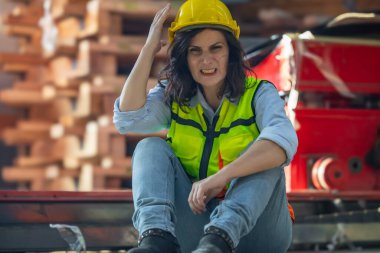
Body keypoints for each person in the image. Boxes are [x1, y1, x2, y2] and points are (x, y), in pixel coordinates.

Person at [113, 0, 298, 252]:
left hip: (258, 233)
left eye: (216, 48)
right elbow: (127, 119)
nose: (206, 60)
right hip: (197, 230)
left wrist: (218, 179)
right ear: (184, 57)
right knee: (150, 147)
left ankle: (220, 238)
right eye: (195, 50)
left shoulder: (258, 94)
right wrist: (148, 49)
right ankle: (156, 241)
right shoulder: (174, 96)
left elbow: (281, 144)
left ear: (231, 52)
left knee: (266, 158)